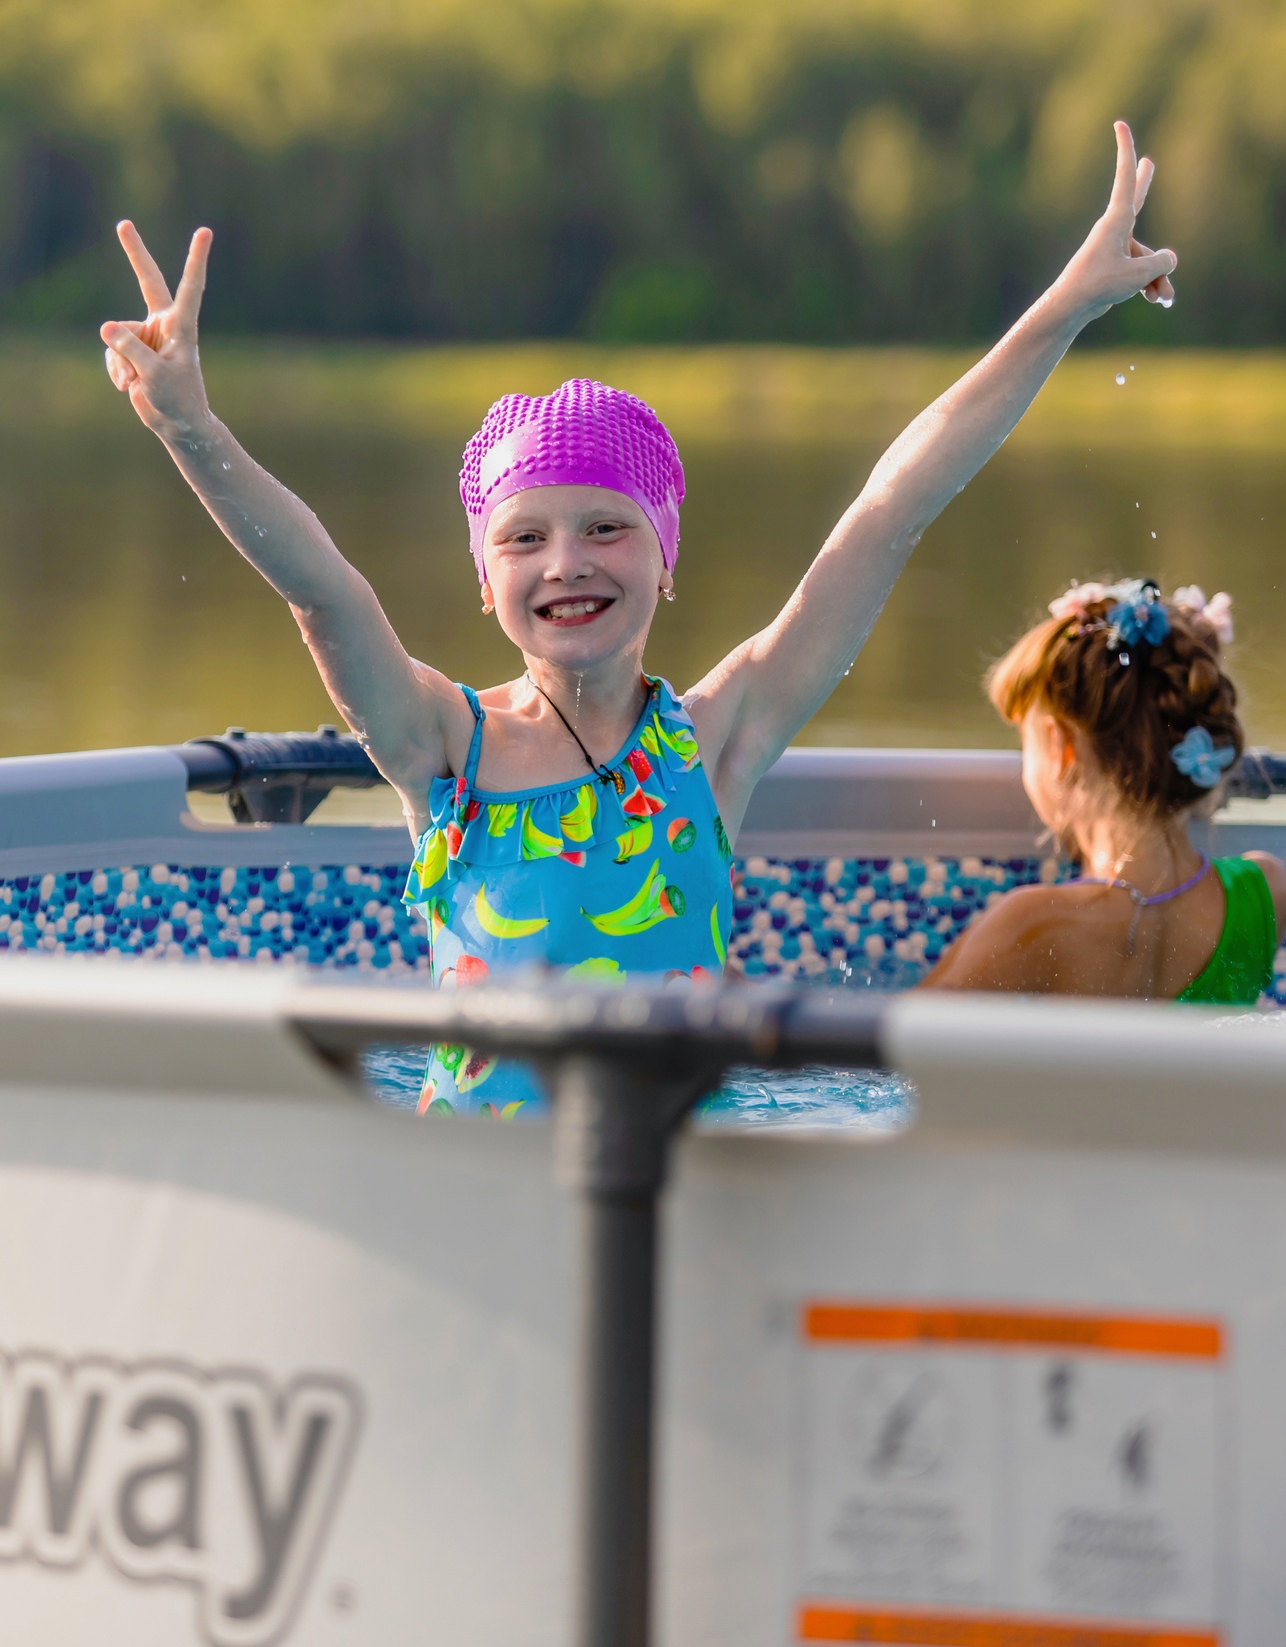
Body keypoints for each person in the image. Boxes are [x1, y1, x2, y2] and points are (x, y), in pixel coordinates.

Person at [101, 123, 1179, 1112]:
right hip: (471, 1191)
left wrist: (1064, 305)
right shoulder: (441, 747)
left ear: (665, 556)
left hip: (674, 1188)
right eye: (524, 539)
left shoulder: (714, 742)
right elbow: (323, 589)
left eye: (606, 528)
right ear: (484, 579)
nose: (566, 563)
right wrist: (191, 427)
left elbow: (892, 506)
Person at [918, 578, 1286, 1002]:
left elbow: (890, 1036)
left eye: (1025, 740)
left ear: (1060, 748)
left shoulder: (1033, 924)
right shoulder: (1264, 892)